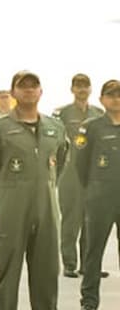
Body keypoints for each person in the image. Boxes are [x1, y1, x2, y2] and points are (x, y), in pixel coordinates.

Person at [0, 70, 69, 310]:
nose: (29, 90)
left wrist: (44, 187)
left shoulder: (55, 127)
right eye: (23, 86)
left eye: (34, 85)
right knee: (7, 270)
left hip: (46, 208)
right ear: (13, 93)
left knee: (47, 272)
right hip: (12, 207)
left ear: (41, 91)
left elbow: (60, 161)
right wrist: (4, 200)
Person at [74, 78, 120, 310]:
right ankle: (89, 301)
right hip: (100, 197)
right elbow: (80, 163)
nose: (116, 99)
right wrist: (93, 188)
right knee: (93, 252)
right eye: (111, 95)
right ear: (102, 99)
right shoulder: (91, 127)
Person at [54, 72, 103, 277]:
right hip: (70, 173)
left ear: (90, 89)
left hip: (93, 174)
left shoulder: (99, 113)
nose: (82, 89)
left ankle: (88, 266)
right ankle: (70, 263)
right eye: (78, 86)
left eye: (85, 86)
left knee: (91, 221)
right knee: (71, 220)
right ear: (72, 89)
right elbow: (55, 142)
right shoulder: (62, 113)